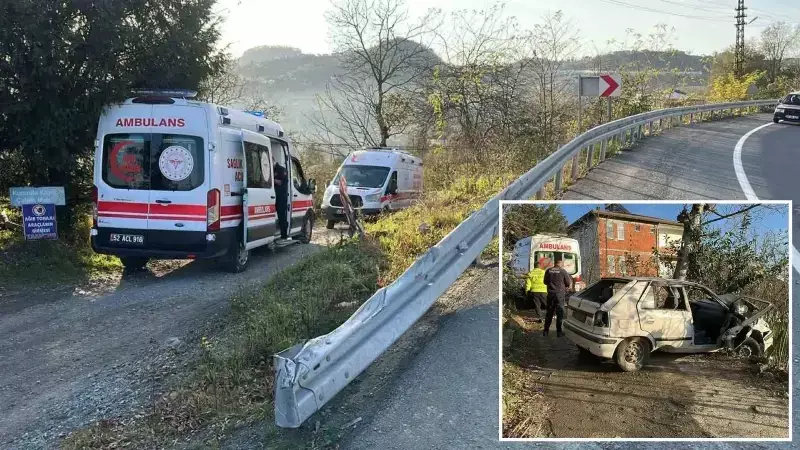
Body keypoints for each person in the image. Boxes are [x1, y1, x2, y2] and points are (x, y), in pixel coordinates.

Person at [543, 258, 573, 337]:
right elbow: (568, 283)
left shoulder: (548, 270)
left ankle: (546, 331)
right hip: (559, 295)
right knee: (560, 313)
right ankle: (559, 332)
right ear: (561, 264)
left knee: (549, 312)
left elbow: (545, 282)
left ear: (555, 264)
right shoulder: (563, 271)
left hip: (551, 294)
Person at [524, 257, 549, 323]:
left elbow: (528, 284)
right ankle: (549, 316)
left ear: (534, 266)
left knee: (537, 305)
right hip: (544, 291)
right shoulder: (544, 272)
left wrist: (527, 292)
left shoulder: (530, 273)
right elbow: (548, 281)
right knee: (547, 304)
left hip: (534, 292)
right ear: (540, 266)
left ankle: (541, 318)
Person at [273, 161, 289, 240]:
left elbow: (281, 182)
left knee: (282, 218)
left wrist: (271, 179)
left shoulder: (282, 170)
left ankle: (284, 236)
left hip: (281, 198)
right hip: (272, 197)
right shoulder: (271, 169)